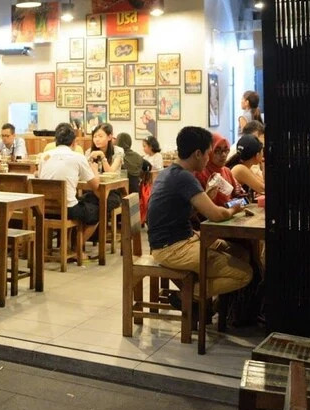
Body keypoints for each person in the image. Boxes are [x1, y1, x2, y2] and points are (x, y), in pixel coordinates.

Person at [147, 127, 252, 305]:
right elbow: (217, 215)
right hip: (172, 249)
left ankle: (216, 306)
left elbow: (179, 213)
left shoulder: (169, 172)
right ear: (197, 154)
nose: (208, 158)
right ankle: (188, 296)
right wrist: (236, 208)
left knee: (240, 253)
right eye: (208, 153)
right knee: (245, 274)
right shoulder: (185, 178)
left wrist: (207, 197)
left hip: (178, 240)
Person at [39, 123, 102, 240]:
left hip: (45, 209)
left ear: (55, 141)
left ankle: (67, 243)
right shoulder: (78, 157)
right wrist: (95, 170)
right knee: (97, 212)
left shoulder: (44, 156)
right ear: (73, 142)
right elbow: (95, 185)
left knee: (80, 202)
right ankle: (76, 245)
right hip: (68, 209)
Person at [81, 124, 124, 221]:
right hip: (93, 190)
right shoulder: (89, 152)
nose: (97, 139)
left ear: (109, 137)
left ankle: (95, 228)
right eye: (95, 136)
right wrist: (89, 160)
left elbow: (111, 173)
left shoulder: (118, 151)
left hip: (112, 191)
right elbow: (85, 172)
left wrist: (102, 156)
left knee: (99, 206)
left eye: (100, 136)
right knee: (84, 204)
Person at [194, 134, 245, 207]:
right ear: (209, 152)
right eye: (217, 151)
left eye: (226, 150)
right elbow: (198, 207)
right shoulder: (200, 174)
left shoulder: (226, 171)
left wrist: (230, 205)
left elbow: (242, 197)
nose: (223, 155)